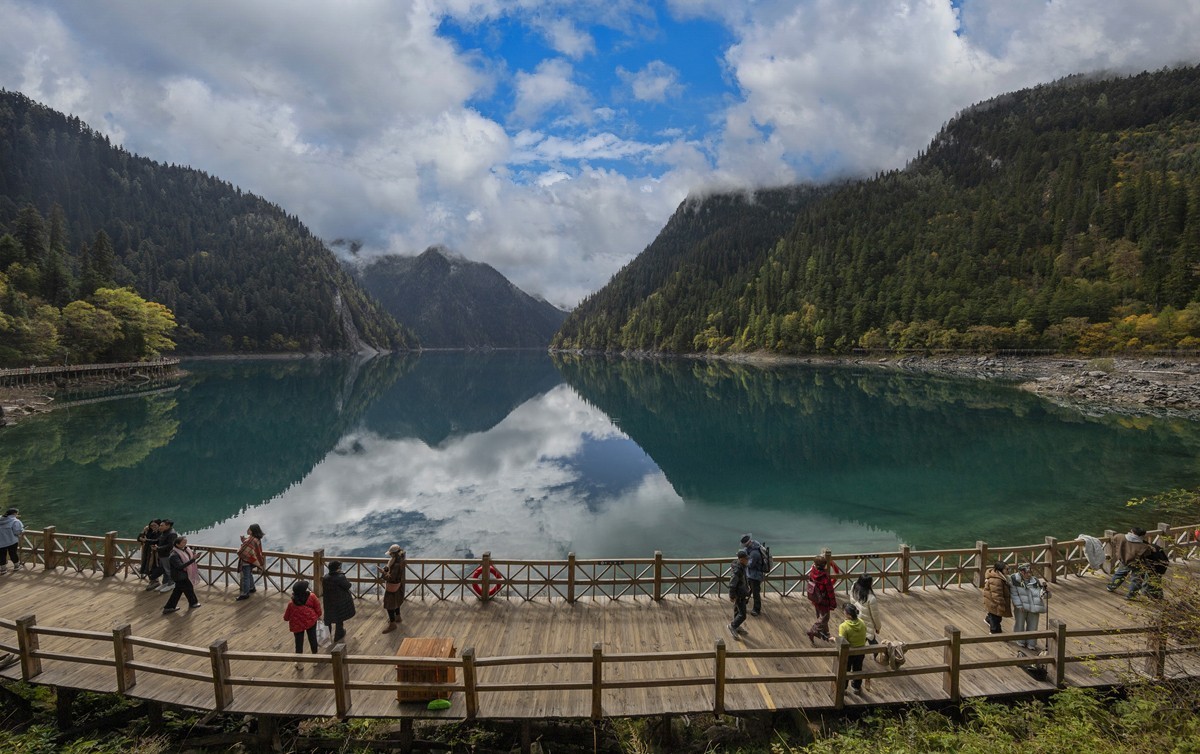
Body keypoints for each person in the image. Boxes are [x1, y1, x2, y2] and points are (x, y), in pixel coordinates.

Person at [1008, 563, 1049, 650]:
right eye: (1027, 572)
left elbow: (1041, 593)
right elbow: (1014, 594)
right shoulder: (1014, 580)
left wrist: (1045, 593)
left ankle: (1031, 643)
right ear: (1021, 572)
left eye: (1030, 572)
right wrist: (1018, 605)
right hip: (1021, 607)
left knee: (1033, 625)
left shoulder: (1035, 580)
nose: (1029, 574)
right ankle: (1020, 640)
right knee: (1020, 623)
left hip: (1034, 607)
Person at [284, 580, 323, 668]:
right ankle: (315, 659)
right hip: (311, 621)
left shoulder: (291, 603)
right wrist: (318, 616)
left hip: (297, 625)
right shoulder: (312, 596)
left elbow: (286, 617)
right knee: (312, 639)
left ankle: (300, 663)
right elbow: (318, 608)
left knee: (298, 643)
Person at [162, 536, 202, 613]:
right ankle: (193, 603)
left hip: (182, 575)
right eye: (183, 542)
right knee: (188, 588)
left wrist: (193, 556)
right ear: (177, 544)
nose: (185, 544)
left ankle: (169, 607)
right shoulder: (174, 555)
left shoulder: (185, 550)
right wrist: (193, 559)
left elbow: (187, 557)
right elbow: (180, 566)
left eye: (186, 542)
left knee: (178, 591)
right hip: (179, 576)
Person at [805, 556, 838, 645]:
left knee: (820, 616)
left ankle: (825, 634)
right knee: (824, 618)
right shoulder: (825, 578)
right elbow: (830, 592)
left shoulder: (812, 573)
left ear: (815, 565)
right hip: (824, 601)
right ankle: (812, 631)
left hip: (815, 598)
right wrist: (833, 603)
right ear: (824, 565)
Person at [1106, 527, 1150, 592]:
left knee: (1119, 574)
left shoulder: (1120, 537)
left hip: (1123, 560)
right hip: (1136, 563)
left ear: (1132, 531)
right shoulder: (1144, 546)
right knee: (1136, 579)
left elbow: (1113, 541)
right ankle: (1131, 595)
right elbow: (1147, 554)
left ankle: (1111, 586)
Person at [321, 561, 355, 643]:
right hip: (339, 601)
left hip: (328, 601)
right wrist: (343, 576)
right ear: (338, 568)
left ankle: (326, 636)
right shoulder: (340, 577)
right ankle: (338, 635)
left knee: (328, 618)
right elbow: (348, 586)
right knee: (339, 618)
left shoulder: (325, 577)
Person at [838, 603, 868, 695]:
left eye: (845, 612)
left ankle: (844, 689)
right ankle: (857, 688)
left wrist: (835, 639)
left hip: (848, 653)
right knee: (858, 669)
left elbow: (842, 642)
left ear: (849, 615)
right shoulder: (862, 623)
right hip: (860, 651)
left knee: (845, 670)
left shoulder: (843, 626)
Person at [236, 524, 266, 601]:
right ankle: (252, 588)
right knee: (249, 574)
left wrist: (239, 550)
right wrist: (244, 541)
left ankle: (245, 593)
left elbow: (242, 551)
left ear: (252, 531)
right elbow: (254, 549)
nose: (247, 530)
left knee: (246, 577)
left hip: (246, 561)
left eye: (249, 529)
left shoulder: (250, 540)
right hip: (252, 560)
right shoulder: (257, 539)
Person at [850, 575, 882, 647]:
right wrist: (878, 627)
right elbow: (875, 615)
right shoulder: (871, 598)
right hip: (867, 623)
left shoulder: (854, 588)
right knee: (870, 639)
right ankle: (876, 653)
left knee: (861, 639)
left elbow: (851, 601)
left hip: (856, 618)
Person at [380, 544, 406, 634]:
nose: (390, 555)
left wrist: (383, 573)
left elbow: (391, 578)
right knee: (396, 601)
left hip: (393, 586)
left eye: (391, 554)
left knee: (389, 605)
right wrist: (387, 568)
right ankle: (398, 617)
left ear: (393, 554)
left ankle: (392, 624)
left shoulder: (396, 564)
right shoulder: (401, 559)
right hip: (400, 585)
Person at [739, 534, 767, 616]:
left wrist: (744, 561)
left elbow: (751, 564)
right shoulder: (752, 548)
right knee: (750, 590)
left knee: (755, 593)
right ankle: (745, 603)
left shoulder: (754, 553)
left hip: (755, 576)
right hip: (751, 575)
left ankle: (756, 609)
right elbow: (745, 552)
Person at [727, 549, 751, 639]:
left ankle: (736, 626)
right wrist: (732, 595)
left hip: (741, 593)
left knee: (737, 611)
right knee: (743, 615)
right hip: (739, 594)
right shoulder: (738, 570)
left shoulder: (742, 567)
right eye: (746, 559)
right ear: (741, 559)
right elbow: (732, 584)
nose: (748, 560)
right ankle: (733, 626)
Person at [983, 561, 1012, 633]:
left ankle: (988, 620)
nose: (1008, 571)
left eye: (1009, 569)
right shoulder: (997, 580)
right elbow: (997, 595)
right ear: (1000, 570)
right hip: (994, 602)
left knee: (994, 615)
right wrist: (1001, 604)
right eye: (1007, 569)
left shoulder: (1001, 577)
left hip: (991, 601)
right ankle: (994, 632)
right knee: (996, 617)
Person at [153, 520, 179, 593]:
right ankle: (165, 583)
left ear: (168, 526)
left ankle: (171, 584)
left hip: (167, 555)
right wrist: (147, 540)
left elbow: (170, 545)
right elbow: (158, 540)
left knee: (168, 570)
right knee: (164, 570)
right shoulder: (164, 532)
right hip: (162, 554)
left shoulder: (172, 534)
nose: (160, 527)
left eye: (162, 525)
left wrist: (158, 548)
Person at [0, 507, 24, 575]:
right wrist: (22, 531)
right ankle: (16, 566)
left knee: (1, 555)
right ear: (14, 513)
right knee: (13, 553)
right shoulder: (15, 521)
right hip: (11, 541)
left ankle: (3, 569)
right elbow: (17, 532)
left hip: (1, 541)